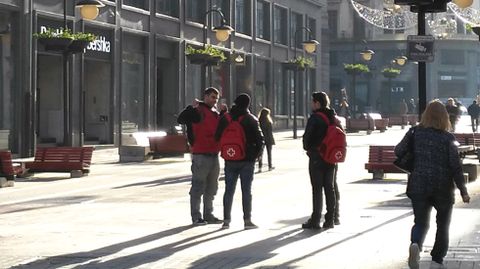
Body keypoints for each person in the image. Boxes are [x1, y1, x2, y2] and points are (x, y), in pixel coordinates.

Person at [395, 100, 470, 269]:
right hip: (442, 187)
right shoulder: (447, 137)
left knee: (420, 221)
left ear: (425, 114)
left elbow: (398, 151)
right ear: (445, 117)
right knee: (442, 224)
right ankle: (437, 260)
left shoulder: (414, 132)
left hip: (418, 184)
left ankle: (415, 244)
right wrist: (463, 191)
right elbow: (455, 166)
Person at [177, 87, 226, 226]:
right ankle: (196, 216)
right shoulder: (198, 111)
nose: (214, 100)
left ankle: (208, 214)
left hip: (213, 154)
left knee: (212, 187)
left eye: (216, 98)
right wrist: (190, 108)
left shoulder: (215, 113)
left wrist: (223, 113)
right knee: (198, 187)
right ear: (205, 97)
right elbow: (181, 119)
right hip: (201, 154)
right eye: (212, 97)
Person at [215, 93, 264, 230]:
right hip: (247, 161)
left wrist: (225, 151)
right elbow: (260, 141)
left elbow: (217, 136)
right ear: (248, 104)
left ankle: (226, 221)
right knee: (246, 191)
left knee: (229, 190)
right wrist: (254, 156)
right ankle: (247, 220)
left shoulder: (226, 118)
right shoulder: (251, 119)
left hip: (230, 159)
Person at [302, 91, 337, 230]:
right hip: (331, 157)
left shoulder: (315, 118)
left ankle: (315, 219)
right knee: (330, 187)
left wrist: (308, 148)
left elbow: (307, 138)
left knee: (317, 188)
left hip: (317, 157)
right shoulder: (332, 117)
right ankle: (330, 219)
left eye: (312, 101)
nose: (311, 104)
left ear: (317, 103)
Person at [257, 107, 275, 172]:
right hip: (268, 139)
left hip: (261, 139)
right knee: (269, 153)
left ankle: (260, 167)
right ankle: (270, 166)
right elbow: (270, 132)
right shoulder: (268, 122)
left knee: (260, 153)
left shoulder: (258, 121)